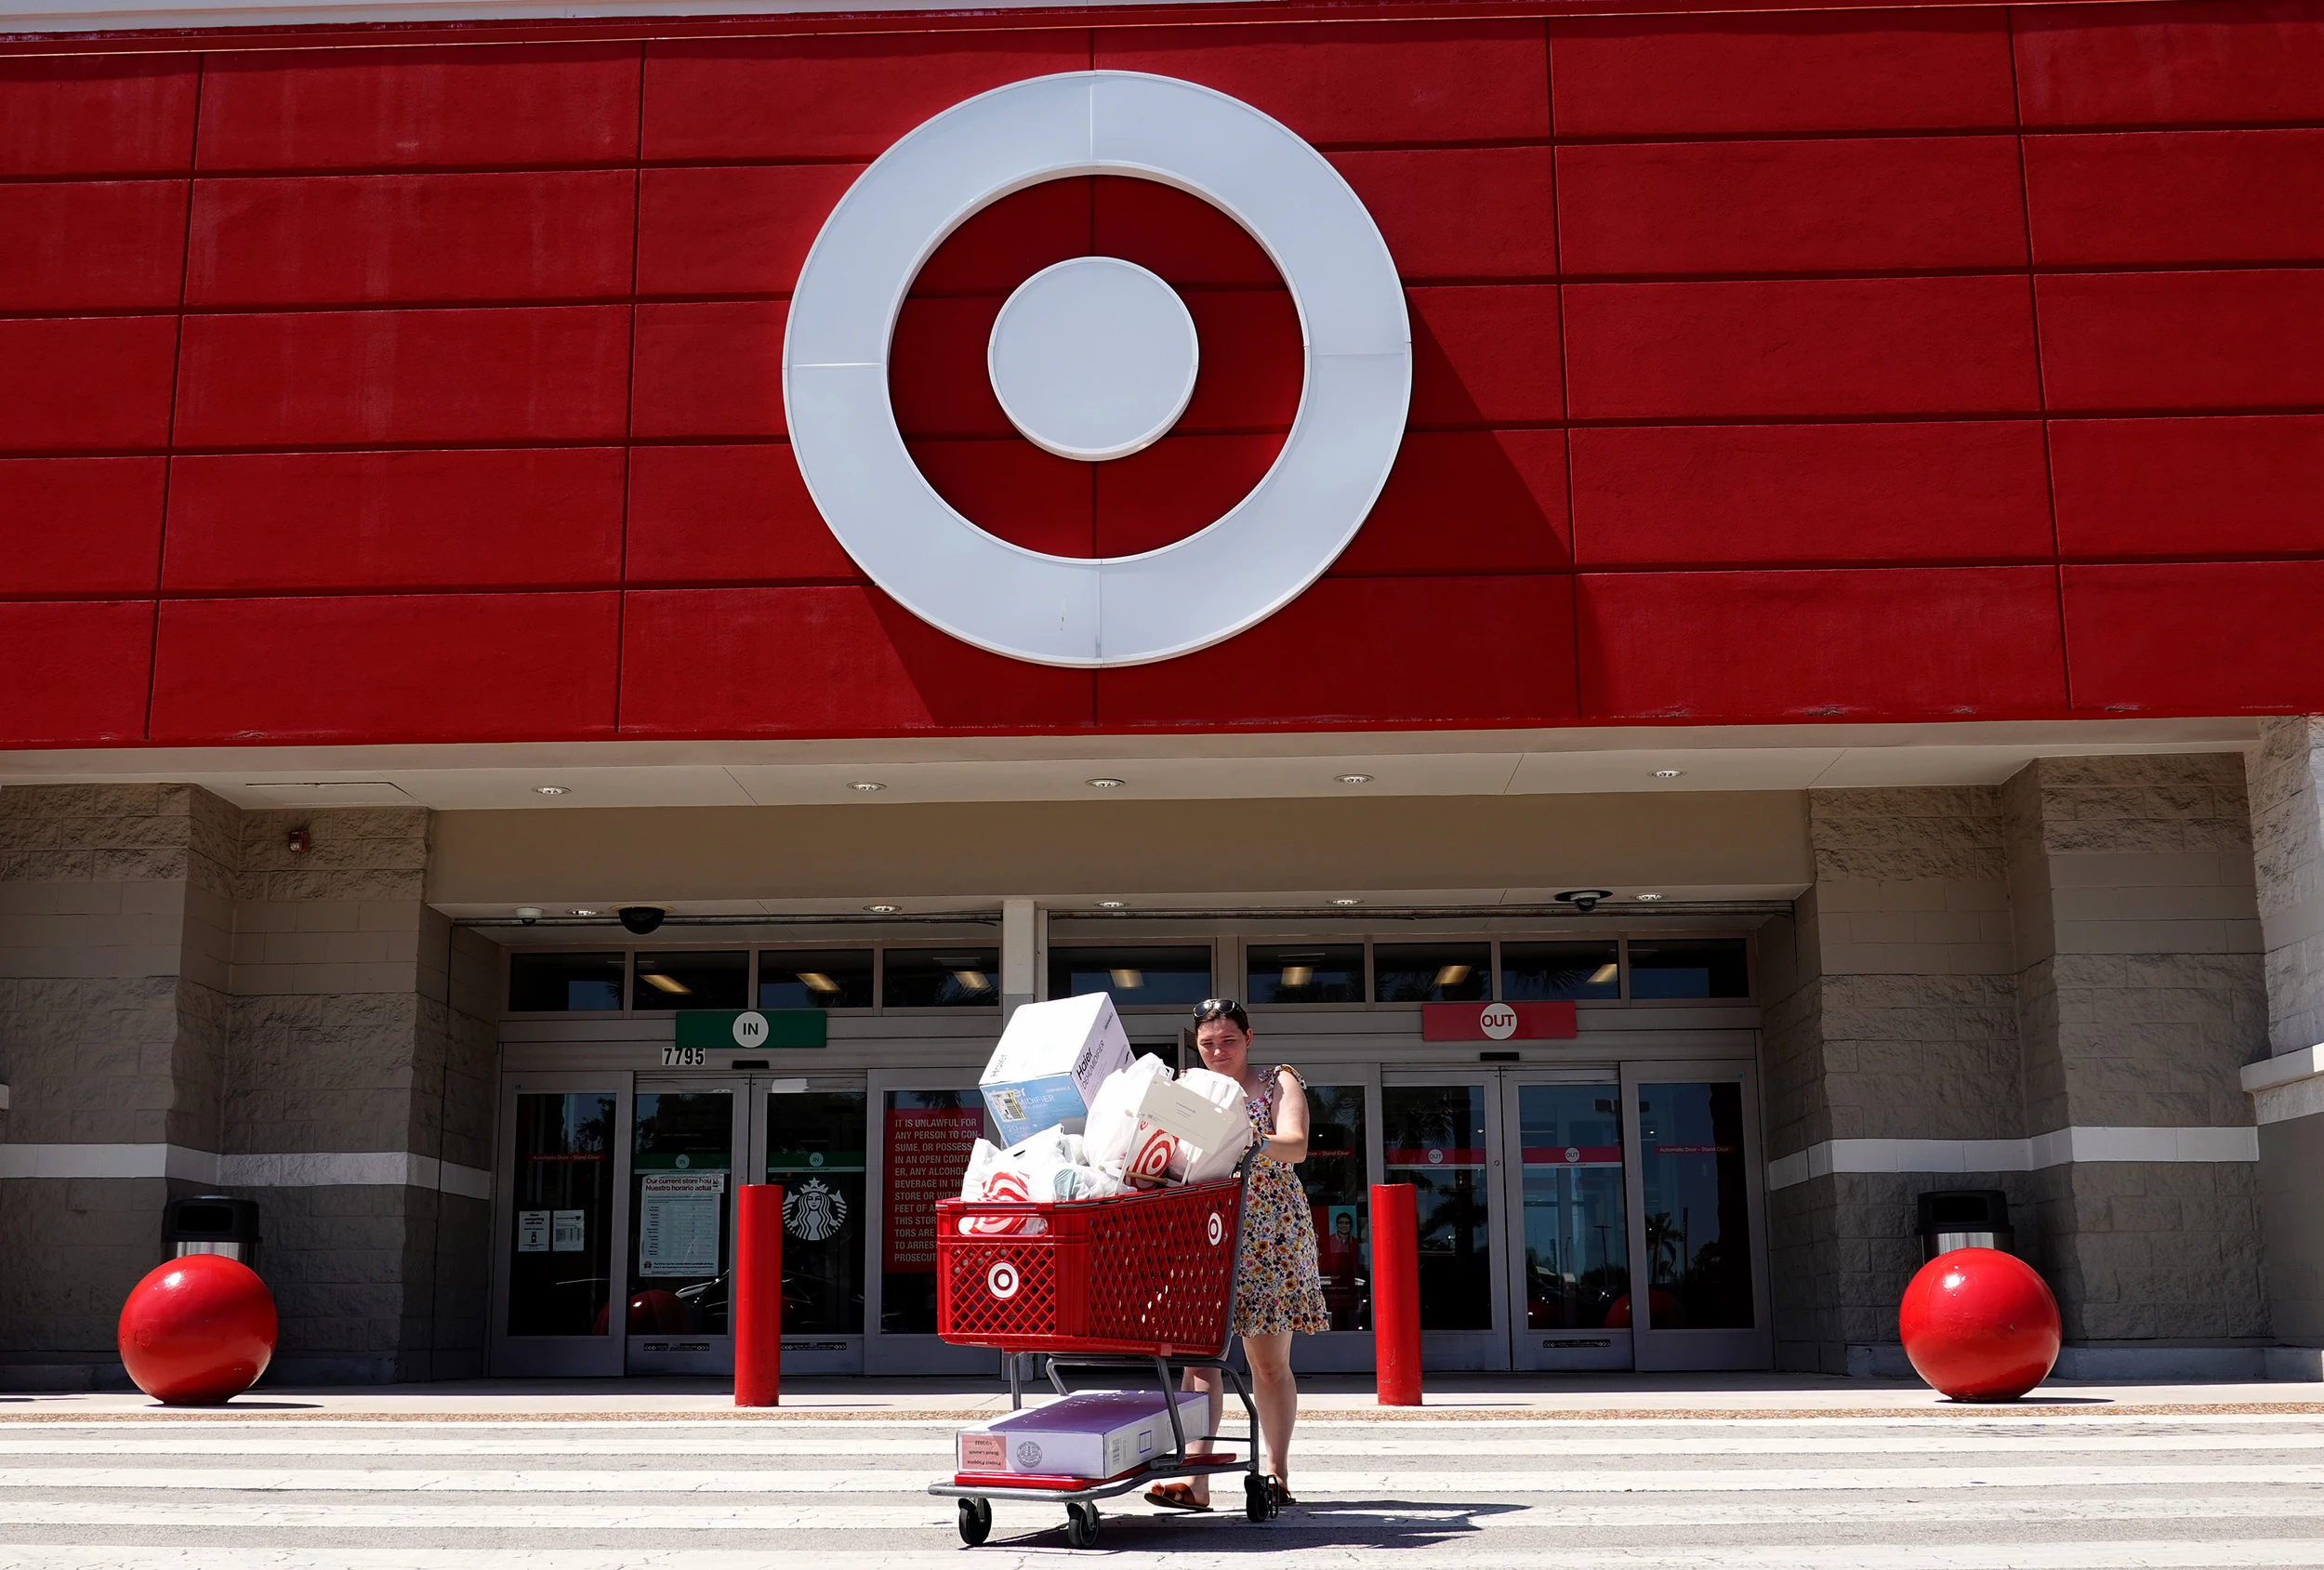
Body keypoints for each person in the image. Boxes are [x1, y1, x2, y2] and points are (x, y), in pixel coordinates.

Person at [1145, 997, 1327, 1511]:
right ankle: (1196, 1481)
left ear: (1249, 1038)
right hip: (1205, 1228)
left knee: (1267, 1362)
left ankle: (1277, 1473)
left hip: (1270, 1230)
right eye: (1207, 1043)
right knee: (1199, 1360)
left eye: (1228, 1040)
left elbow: (1295, 1145)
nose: (1218, 1050)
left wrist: (1243, 1137)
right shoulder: (1186, 1088)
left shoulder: (1278, 1081)